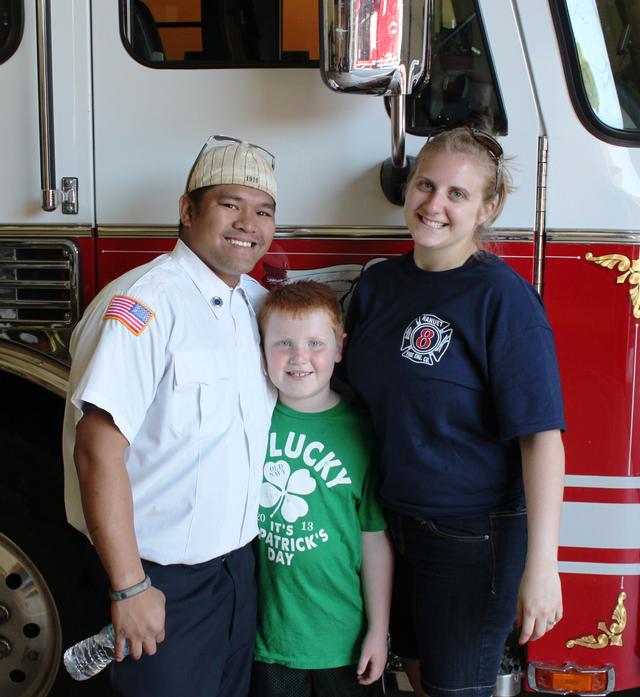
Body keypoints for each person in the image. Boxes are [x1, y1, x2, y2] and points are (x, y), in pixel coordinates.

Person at [344, 127, 565, 697]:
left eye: (457, 194)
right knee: (417, 680)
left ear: (488, 209)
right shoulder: (379, 285)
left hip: (472, 538)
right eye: (425, 185)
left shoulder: (503, 299)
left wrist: (543, 568)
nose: (433, 205)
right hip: (392, 527)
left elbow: (541, 439)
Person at [62, 135, 278, 697]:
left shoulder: (254, 304)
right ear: (187, 210)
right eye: (230, 204)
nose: (248, 224)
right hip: (161, 583)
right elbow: (96, 449)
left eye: (264, 211)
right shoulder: (145, 304)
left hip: (237, 573)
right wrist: (131, 587)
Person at [251, 280, 394, 697]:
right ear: (261, 349)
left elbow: (373, 539)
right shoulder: (250, 420)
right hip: (268, 644)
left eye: (316, 342)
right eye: (283, 344)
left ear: (340, 348)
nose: (299, 358)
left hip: (343, 642)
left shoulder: (361, 429)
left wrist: (379, 631)